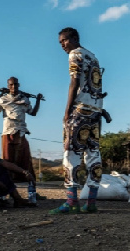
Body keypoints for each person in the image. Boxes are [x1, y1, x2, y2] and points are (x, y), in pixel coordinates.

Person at [50, 27, 104, 214]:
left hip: (80, 111)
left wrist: (67, 111)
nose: (63, 45)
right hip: (96, 111)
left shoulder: (75, 54)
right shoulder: (93, 56)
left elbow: (74, 82)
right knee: (93, 153)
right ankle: (90, 202)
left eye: (64, 40)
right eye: (60, 42)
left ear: (74, 38)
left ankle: (72, 202)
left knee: (70, 153)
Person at [0, 77, 43, 204]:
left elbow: (33, 113)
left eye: (15, 85)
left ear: (18, 85)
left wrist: (38, 100)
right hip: (7, 134)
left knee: (26, 162)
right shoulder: (3, 99)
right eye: (11, 85)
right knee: (7, 163)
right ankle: (5, 195)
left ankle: (32, 196)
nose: (13, 87)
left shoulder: (25, 99)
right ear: (8, 86)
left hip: (21, 133)